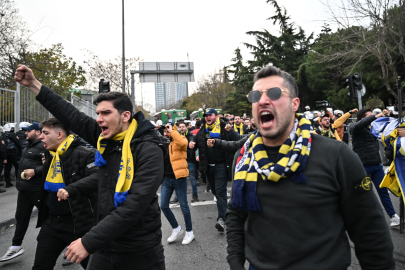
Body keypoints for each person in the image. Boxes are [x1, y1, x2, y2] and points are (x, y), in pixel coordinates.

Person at [208, 65, 394, 270]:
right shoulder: (243, 158)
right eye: (255, 95)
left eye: (274, 93)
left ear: (295, 103)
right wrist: (235, 261)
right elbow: (236, 212)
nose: (262, 100)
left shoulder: (337, 155)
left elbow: (370, 233)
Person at [14, 64, 166, 270]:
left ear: (125, 116)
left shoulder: (149, 149)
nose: (99, 119)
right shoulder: (106, 139)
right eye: (97, 113)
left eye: (105, 113)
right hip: (104, 244)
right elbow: (71, 115)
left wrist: (87, 241)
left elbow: (135, 205)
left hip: (139, 248)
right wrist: (33, 84)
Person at [0, 123, 45, 262]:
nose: (25, 133)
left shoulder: (44, 145)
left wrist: (36, 171)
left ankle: (72, 243)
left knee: (52, 218)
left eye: (28, 131)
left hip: (38, 190)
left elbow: (52, 164)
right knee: (21, 217)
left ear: (38, 132)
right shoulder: (29, 144)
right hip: (24, 189)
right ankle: (15, 247)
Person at [189, 108, 238, 232]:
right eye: (206, 116)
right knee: (215, 191)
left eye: (210, 115)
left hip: (221, 164)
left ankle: (222, 219)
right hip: (207, 166)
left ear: (215, 116)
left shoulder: (223, 126)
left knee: (221, 192)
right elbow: (197, 138)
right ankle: (228, 212)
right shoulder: (203, 128)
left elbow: (237, 139)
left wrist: (230, 130)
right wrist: (192, 142)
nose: (207, 117)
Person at [350, 107, 400, 227]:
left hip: (376, 165)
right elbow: (358, 126)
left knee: (383, 192)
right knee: (363, 194)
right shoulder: (354, 127)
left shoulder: (373, 128)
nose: (373, 116)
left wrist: (391, 116)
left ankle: (393, 216)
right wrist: (375, 116)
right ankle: (361, 219)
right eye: (370, 115)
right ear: (363, 118)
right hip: (362, 166)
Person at [160, 124, 195, 245]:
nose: (165, 134)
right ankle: (176, 228)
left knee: (184, 206)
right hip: (166, 179)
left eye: (167, 131)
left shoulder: (181, 140)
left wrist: (173, 131)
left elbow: (183, 143)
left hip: (179, 178)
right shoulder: (164, 143)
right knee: (163, 205)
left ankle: (190, 232)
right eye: (164, 132)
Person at [178, 122, 198, 202]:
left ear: (186, 127)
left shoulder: (191, 136)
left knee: (192, 178)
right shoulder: (177, 136)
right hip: (180, 160)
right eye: (180, 127)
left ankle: (195, 195)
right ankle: (177, 196)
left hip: (190, 159)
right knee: (179, 178)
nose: (182, 128)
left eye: (183, 126)